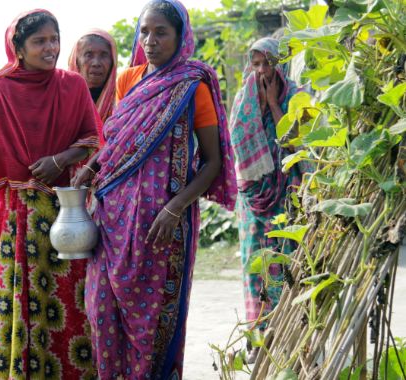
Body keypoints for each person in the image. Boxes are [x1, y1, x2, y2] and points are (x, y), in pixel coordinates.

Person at [72, 1, 237, 378]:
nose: (150, 40)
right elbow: (116, 141)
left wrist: (174, 208)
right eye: (144, 31)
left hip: (162, 226)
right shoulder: (127, 80)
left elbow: (211, 163)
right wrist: (91, 167)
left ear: (181, 36)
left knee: (151, 326)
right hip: (112, 218)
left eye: (161, 32)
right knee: (101, 311)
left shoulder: (193, 85)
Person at [0, 10, 99, 379]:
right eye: (40, 41)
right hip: (19, 217)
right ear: (18, 49)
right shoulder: (0, 90)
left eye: (54, 39)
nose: (51, 48)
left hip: (66, 211)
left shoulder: (72, 86)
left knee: (68, 302)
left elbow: (92, 139)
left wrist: (60, 158)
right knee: (19, 298)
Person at [228, 37, 308, 363]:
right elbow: (237, 142)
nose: (262, 71)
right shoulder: (244, 98)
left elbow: (295, 146)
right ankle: (259, 339)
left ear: (280, 63)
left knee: (284, 262)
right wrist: (259, 105)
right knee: (255, 265)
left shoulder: (297, 97)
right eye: (257, 63)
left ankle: (288, 335)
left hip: (286, 194)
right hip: (253, 200)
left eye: (268, 63)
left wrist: (275, 105)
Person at [68, 29, 118, 144]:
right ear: (76, 60)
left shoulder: (122, 101)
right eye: (88, 55)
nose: (96, 63)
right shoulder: (61, 100)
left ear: (113, 61)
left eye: (104, 55)